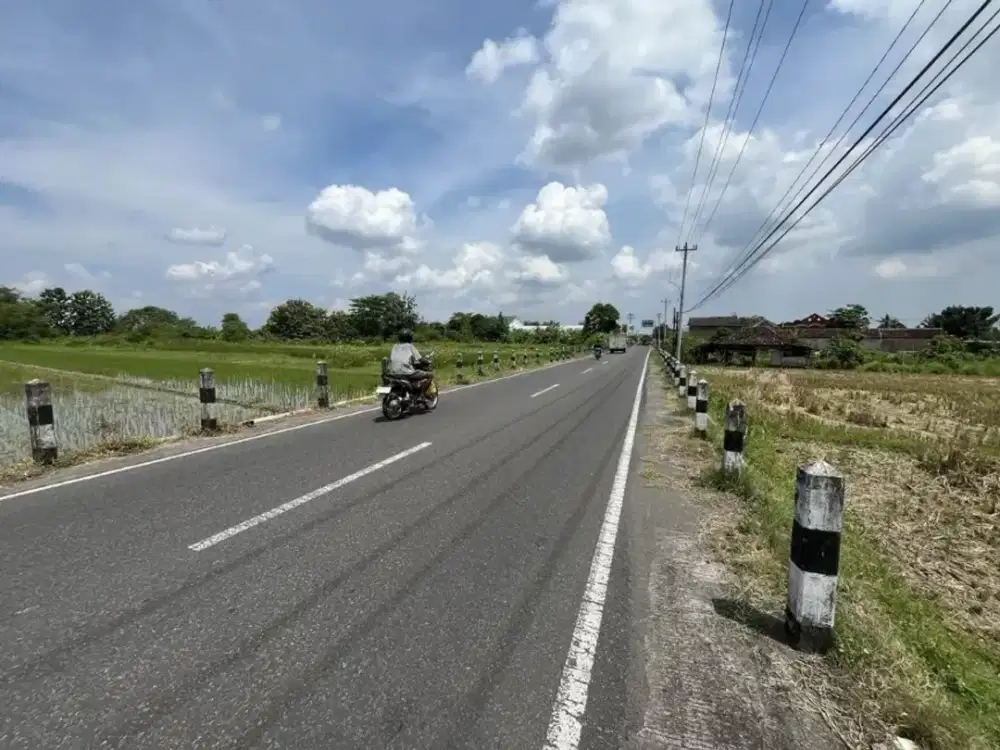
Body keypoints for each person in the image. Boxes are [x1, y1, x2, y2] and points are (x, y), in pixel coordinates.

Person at [387, 329, 431, 396]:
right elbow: (420, 359)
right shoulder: (410, 346)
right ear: (410, 337)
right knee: (430, 375)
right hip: (406, 372)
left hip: (392, 372)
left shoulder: (395, 346)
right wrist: (428, 362)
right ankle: (421, 395)